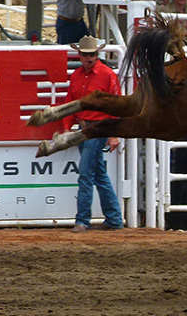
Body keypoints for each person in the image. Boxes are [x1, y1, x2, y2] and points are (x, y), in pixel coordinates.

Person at [63, 36, 124, 232]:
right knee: (98, 174)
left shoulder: (106, 75)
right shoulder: (79, 75)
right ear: (79, 55)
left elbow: (116, 105)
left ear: (97, 55)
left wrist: (113, 133)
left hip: (97, 128)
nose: (89, 58)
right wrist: (67, 127)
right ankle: (114, 218)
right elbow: (72, 102)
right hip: (86, 128)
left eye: (92, 54)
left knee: (86, 173)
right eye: (86, 54)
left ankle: (82, 220)